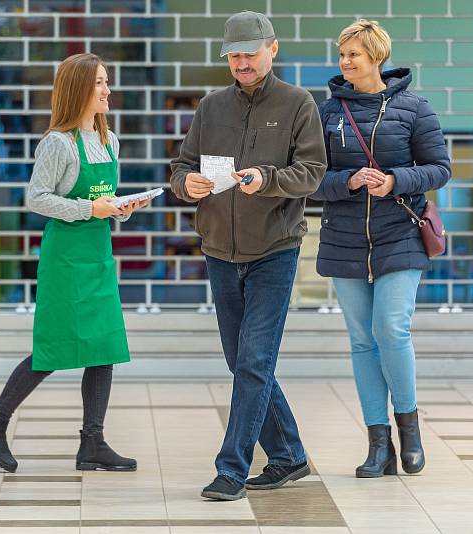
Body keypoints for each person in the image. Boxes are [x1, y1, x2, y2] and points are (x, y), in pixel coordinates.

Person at [170, 11, 327, 501]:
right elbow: (182, 166)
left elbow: (313, 171)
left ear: (272, 50)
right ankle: (289, 456)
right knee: (241, 360)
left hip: (274, 250)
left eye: (250, 54)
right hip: (219, 250)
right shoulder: (210, 107)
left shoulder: (299, 103)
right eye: (234, 56)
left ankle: (231, 469)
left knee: (255, 360)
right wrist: (185, 185)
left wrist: (269, 179)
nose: (241, 63)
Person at [0, 53, 149, 473]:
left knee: (104, 346)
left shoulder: (110, 140)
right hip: (66, 260)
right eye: (100, 84)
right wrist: (92, 209)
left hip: (97, 257)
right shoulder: (58, 142)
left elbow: (103, 201)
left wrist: (125, 207)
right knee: (52, 349)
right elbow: (37, 198)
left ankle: (93, 442)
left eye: (107, 82)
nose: (107, 91)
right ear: (79, 90)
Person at [310, 20, 450, 478]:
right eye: (342, 54)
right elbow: (311, 179)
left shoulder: (413, 108)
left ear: (377, 58)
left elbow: (439, 169)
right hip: (345, 238)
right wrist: (347, 182)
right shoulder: (327, 113)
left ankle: (410, 430)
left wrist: (394, 181)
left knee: (392, 330)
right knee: (361, 341)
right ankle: (378, 444)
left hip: (400, 235)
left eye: (355, 54)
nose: (346, 62)